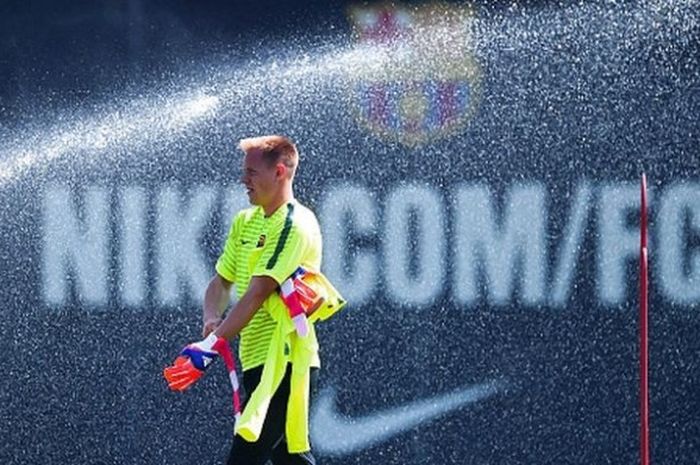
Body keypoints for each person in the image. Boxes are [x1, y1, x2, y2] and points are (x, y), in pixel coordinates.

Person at [164, 135, 344, 465]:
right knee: (291, 460)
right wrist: (210, 318)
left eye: (251, 173)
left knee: (245, 460)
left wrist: (209, 347)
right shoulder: (245, 222)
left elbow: (257, 293)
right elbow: (220, 283)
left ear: (279, 172)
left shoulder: (294, 223)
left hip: (285, 364)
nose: (243, 180)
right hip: (257, 364)